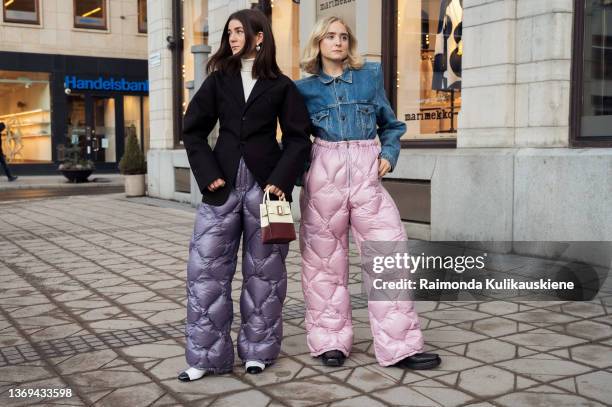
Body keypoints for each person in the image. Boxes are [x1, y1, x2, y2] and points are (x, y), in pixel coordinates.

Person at [295, 16, 441, 370]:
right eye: (330, 36)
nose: (338, 42)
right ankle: (330, 341)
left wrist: (388, 156)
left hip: (366, 172)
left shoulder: (369, 77)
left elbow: (392, 125)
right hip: (323, 173)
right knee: (323, 264)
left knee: (389, 253)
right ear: (318, 43)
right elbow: (294, 139)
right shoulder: (303, 89)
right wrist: (304, 172)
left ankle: (400, 347)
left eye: (343, 36)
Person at [178, 8, 311, 382]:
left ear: (259, 36)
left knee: (265, 276)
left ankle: (258, 352)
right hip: (220, 187)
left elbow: (299, 138)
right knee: (205, 272)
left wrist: (282, 179)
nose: (233, 37)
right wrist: (208, 177)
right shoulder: (219, 80)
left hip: (267, 190)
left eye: (239, 31)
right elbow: (193, 131)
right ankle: (206, 357)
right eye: (229, 32)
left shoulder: (282, 85)